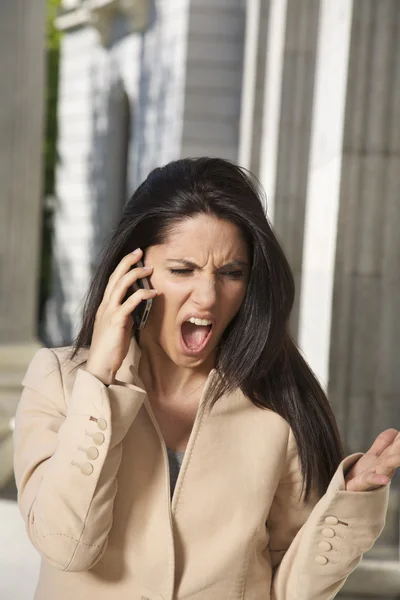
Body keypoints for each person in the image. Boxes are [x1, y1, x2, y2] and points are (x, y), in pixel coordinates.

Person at [13, 157, 398, 600]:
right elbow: (67, 548)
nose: (209, 296)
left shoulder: (279, 408)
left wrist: (352, 501)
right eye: (182, 270)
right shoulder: (59, 382)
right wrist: (99, 382)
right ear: (132, 274)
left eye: (231, 273)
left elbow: (291, 591)